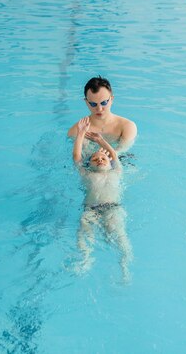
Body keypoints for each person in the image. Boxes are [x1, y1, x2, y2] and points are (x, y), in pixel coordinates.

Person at [72, 116, 133, 282]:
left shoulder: (116, 172)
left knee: (120, 237)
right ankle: (85, 259)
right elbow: (77, 157)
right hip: (90, 209)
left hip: (112, 208)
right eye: (95, 159)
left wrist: (101, 141)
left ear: (110, 162)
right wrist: (80, 134)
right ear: (89, 164)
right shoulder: (87, 174)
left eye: (103, 158)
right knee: (84, 233)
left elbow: (114, 154)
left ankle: (124, 267)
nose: (99, 159)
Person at [68, 76, 137, 153]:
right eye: (93, 104)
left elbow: (120, 155)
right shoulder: (76, 131)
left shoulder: (127, 127)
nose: (99, 109)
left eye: (103, 103)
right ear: (86, 102)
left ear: (111, 99)